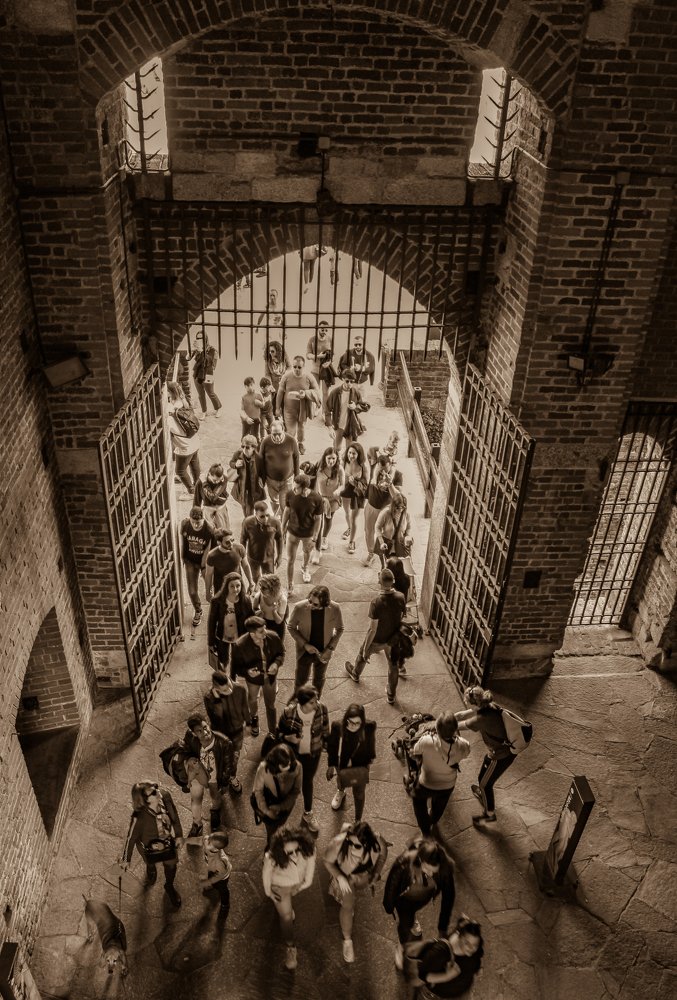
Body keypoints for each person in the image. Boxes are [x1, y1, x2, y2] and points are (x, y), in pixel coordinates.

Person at [383, 837, 456, 971]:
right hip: (404, 898)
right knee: (406, 922)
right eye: (426, 869)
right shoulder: (405, 862)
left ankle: (412, 919)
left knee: (412, 914)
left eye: (433, 871)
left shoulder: (445, 869)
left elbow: (448, 897)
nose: (429, 873)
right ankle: (402, 946)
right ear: (421, 859)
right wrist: (388, 905)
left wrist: (442, 927)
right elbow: (392, 883)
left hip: (423, 897)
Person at [323, 820, 388, 964]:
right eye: (350, 843)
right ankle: (347, 940)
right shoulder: (338, 843)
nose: (352, 849)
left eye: (357, 846)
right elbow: (327, 861)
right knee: (347, 906)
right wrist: (340, 877)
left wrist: (375, 873)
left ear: (367, 844)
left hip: (363, 877)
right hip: (346, 878)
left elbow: (383, 852)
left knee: (351, 900)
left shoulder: (377, 842)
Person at [455, 685, 517, 827]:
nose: (465, 703)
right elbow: (463, 715)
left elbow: (459, 725)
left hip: (501, 755)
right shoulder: (489, 706)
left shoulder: (481, 719)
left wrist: (439, 723)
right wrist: (453, 716)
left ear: (475, 704)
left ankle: (489, 814)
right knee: (485, 773)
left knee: (485, 783)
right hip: (500, 750)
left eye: (467, 701)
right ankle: (483, 793)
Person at [345, 567, 407, 704]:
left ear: (379, 582)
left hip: (377, 639)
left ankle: (355, 673)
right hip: (393, 639)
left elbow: (373, 629)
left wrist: (366, 649)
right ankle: (391, 694)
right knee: (393, 666)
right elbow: (403, 615)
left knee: (362, 654)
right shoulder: (401, 597)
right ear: (393, 581)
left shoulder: (376, 602)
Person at [262, 825, 316, 970]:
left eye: (297, 850)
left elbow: (310, 870)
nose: (294, 855)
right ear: (281, 850)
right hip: (280, 886)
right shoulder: (272, 856)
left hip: (297, 883)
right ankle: (291, 947)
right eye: (289, 852)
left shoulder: (308, 848)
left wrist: (304, 885)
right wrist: (269, 893)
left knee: (287, 911)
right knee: (286, 918)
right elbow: (266, 875)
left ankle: (287, 907)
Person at [121, 782, 183, 908]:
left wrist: (179, 835)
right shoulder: (139, 817)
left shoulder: (165, 796)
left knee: (171, 866)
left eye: (156, 788)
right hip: (148, 848)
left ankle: (169, 886)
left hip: (166, 842)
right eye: (153, 792)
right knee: (150, 862)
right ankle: (151, 868)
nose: (157, 791)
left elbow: (174, 816)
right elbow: (131, 838)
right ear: (145, 801)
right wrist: (127, 859)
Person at [277, 684, 329, 834]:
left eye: (317, 700)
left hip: (313, 754)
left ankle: (308, 813)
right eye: (312, 702)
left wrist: (326, 745)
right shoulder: (289, 712)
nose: (316, 704)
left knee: (307, 782)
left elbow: (326, 729)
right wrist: (287, 737)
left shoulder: (322, 709)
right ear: (302, 703)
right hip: (293, 755)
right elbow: (278, 733)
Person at [411, 713, 470, 838]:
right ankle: (433, 819)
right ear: (455, 730)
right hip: (448, 785)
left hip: (426, 782)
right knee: (440, 806)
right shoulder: (463, 744)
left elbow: (415, 752)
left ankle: (425, 829)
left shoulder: (426, 741)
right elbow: (466, 753)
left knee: (417, 800)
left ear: (436, 729)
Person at [230, 615, 285, 738]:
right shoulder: (240, 645)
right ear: (252, 634)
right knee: (252, 699)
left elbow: (281, 653)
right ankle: (254, 720)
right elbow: (236, 667)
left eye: (265, 628)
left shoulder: (273, 637)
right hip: (253, 680)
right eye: (261, 631)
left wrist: (276, 664)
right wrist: (247, 672)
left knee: (270, 704)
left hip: (270, 677)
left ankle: (272, 730)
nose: (265, 632)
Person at [405, 915, 484, 998]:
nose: (472, 948)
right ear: (459, 936)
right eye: (467, 943)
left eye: (475, 945)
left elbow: (479, 954)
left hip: (461, 993)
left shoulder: (475, 943)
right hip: (436, 996)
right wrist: (447, 976)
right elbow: (423, 975)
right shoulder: (440, 952)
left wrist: (478, 967)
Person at [287, 585, 344, 696]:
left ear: (325, 603)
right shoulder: (299, 607)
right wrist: (305, 645)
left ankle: (315, 701)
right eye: (310, 601)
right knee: (300, 680)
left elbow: (340, 629)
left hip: (324, 651)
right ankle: (298, 701)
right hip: (304, 652)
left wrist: (330, 649)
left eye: (315, 604)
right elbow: (291, 627)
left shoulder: (335, 608)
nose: (310, 605)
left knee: (319, 679)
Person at [183, 715, 235, 835]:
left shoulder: (224, 742)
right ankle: (197, 823)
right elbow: (185, 750)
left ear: (208, 723)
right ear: (194, 733)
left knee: (215, 796)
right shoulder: (190, 738)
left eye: (205, 727)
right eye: (199, 731)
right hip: (199, 772)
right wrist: (189, 760)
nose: (205, 732)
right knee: (195, 798)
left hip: (214, 777)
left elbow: (228, 765)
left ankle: (215, 810)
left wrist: (224, 782)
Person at [326, 704, 376, 821]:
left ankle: (357, 820)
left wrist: (367, 766)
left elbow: (371, 746)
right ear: (346, 719)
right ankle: (341, 792)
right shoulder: (337, 726)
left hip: (360, 764)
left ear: (362, 722)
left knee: (359, 794)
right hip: (342, 762)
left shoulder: (369, 727)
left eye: (357, 723)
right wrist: (331, 766)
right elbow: (332, 746)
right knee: (341, 779)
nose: (353, 726)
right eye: (350, 722)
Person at [203, 671, 249, 794]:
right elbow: (215, 721)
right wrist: (217, 701)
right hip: (221, 734)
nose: (230, 689)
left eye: (229, 684)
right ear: (216, 688)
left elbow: (245, 707)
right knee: (222, 758)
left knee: (235, 757)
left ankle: (232, 777)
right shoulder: (209, 698)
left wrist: (248, 722)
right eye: (225, 689)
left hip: (237, 731)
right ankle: (221, 778)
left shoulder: (239, 689)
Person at [252, 744, 303, 847]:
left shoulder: (297, 767)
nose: (288, 767)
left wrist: (281, 807)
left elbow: (296, 790)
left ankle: (275, 841)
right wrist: (267, 810)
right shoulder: (264, 768)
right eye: (284, 765)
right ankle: (271, 846)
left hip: (286, 806)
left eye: (289, 763)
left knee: (281, 824)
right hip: (269, 805)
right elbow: (258, 791)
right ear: (275, 762)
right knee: (271, 830)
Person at [281, 472, 323, 594]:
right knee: (290, 560)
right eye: (293, 486)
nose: (293, 489)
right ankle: (290, 584)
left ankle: (305, 568)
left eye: (296, 487)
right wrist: (283, 527)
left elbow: (318, 519)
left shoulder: (316, 498)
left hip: (307, 534)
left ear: (305, 488)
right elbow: (287, 511)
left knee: (306, 553)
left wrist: (314, 539)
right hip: (292, 533)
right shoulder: (290, 494)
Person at [363, 453, 403, 567]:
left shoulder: (398, 475)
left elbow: (398, 496)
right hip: (371, 506)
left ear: (390, 464)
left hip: (386, 510)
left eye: (385, 469)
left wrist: (390, 484)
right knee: (368, 531)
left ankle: (385, 558)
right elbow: (370, 451)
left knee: (386, 535)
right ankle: (370, 553)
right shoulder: (374, 469)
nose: (382, 472)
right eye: (380, 469)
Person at [207, 571, 254, 670]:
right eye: (232, 586)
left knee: (237, 660)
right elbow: (211, 622)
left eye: (238, 586)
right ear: (226, 587)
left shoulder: (246, 600)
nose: (235, 589)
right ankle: (223, 679)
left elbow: (250, 619)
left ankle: (233, 678)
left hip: (239, 636)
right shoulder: (217, 601)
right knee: (223, 660)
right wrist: (211, 642)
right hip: (222, 636)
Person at [275, 355, 321, 454]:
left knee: (301, 429)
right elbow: (280, 392)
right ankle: (290, 447)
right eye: (294, 366)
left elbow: (317, 392)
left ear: (304, 367)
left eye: (299, 367)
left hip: (303, 410)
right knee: (290, 431)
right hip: (289, 409)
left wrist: (306, 393)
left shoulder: (309, 377)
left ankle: (301, 443)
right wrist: (277, 408)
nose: (296, 369)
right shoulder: (286, 376)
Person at [179, 506, 214, 632]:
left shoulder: (209, 530)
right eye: (193, 522)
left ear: (203, 519)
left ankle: (217, 610)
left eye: (198, 522)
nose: (195, 525)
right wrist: (182, 558)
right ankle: (198, 610)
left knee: (210, 589)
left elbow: (211, 550)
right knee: (192, 591)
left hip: (205, 563)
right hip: (190, 561)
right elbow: (182, 542)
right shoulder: (185, 524)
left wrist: (206, 567)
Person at [167, 380, 201, 499]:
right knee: (194, 463)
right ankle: (197, 485)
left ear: (169, 392)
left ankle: (192, 492)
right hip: (194, 441)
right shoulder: (184, 402)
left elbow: (171, 428)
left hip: (185, 446)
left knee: (180, 470)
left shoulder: (171, 410)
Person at [259, 419, 299, 518]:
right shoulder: (265, 442)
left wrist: (297, 479)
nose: (277, 437)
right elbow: (261, 461)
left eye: (279, 434)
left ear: (283, 430)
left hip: (287, 481)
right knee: (274, 502)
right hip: (271, 481)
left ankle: (281, 524)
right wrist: (261, 478)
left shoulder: (291, 441)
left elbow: (296, 458)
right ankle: (278, 519)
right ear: (270, 432)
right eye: (274, 434)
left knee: (284, 505)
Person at [312, 447, 344, 562]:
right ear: (325, 457)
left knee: (328, 519)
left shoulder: (339, 469)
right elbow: (313, 481)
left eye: (333, 459)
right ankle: (317, 550)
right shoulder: (319, 467)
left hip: (333, 498)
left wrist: (338, 490)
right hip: (321, 498)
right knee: (319, 524)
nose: (331, 461)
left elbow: (343, 484)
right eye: (329, 458)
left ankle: (324, 538)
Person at [327, 368, 370, 453]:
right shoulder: (334, 393)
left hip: (350, 425)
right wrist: (329, 427)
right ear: (343, 379)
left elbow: (365, 405)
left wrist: (356, 407)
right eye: (347, 381)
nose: (349, 384)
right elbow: (327, 410)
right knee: (336, 448)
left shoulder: (355, 392)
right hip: (338, 425)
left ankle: (346, 464)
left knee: (350, 449)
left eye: (352, 381)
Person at [240, 500, 283, 583]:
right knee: (256, 579)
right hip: (253, 558)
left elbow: (279, 538)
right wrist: (243, 557)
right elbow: (243, 539)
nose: (266, 519)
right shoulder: (247, 522)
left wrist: (280, 556)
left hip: (269, 558)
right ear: (256, 514)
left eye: (267, 515)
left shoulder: (275, 522)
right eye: (262, 516)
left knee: (269, 580)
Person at [205, 528, 254, 599]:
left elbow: (246, 566)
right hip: (221, 589)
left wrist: (251, 582)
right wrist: (207, 592)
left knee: (241, 608)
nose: (231, 544)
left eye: (232, 540)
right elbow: (208, 574)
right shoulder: (212, 555)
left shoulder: (239, 548)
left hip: (238, 587)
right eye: (227, 542)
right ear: (219, 542)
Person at [340, 442, 369, 554]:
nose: (351, 456)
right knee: (346, 512)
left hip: (357, 494)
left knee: (353, 518)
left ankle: (351, 541)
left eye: (354, 454)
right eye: (350, 453)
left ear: (359, 454)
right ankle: (349, 528)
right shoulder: (344, 463)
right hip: (346, 491)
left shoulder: (363, 466)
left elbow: (366, 484)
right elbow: (339, 477)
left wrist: (356, 483)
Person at [229, 435, 266, 518]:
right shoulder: (238, 454)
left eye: (247, 447)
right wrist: (235, 465)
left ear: (253, 448)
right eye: (243, 446)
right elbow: (231, 463)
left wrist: (262, 481)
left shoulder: (258, 458)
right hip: (242, 486)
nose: (244, 449)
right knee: (244, 505)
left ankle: (249, 521)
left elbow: (263, 472)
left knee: (250, 507)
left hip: (253, 488)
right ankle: (247, 519)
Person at [306, 320, 334, 424]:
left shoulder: (330, 339)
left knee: (326, 392)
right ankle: (317, 407)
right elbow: (308, 355)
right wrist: (318, 356)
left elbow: (332, 355)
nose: (324, 331)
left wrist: (329, 362)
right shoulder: (312, 340)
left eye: (326, 330)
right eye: (322, 329)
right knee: (315, 391)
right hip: (315, 370)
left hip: (326, 370)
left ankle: (325, 412)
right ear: (318, 328)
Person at [375, 491, 413, 567]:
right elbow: (377, 527)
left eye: (403, 507)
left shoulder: (406, 514)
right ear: (393, 505)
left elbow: (408, 527)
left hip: (400, 543)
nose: (401, 510)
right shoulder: (385, 513)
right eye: (398, 507)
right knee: (386, 566)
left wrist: (407, 536)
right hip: (386, 543)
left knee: (400, 566)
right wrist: (382, 542)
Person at [191, 331, 222, 419]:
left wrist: (201, 351)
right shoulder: (196, 349)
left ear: (206, 339)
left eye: (201, 338)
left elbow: (210, 361)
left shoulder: (212, 350)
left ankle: (218, 408)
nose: (199, 340)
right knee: (201, 394)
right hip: (197, 373)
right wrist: (191, 350)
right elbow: (188, 358)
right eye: (198, 338)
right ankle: (204, 411)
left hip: (208, 373)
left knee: (210, 393)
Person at [201, 830, 232, 918]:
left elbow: (219, 876)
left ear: (215, 849)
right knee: (211, 877)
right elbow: (202, 839)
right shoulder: (208, 840)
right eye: (209, 837)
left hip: (222, 877)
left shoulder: (220, 862)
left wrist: (208, 882)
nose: (206, 840)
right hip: (211, 868)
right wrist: (185, 840)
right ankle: (213, 886)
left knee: (223, 889)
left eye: (209, 842)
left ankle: (225, 904)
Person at [193, 463, 231, 531]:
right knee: (209, 531)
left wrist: (204, 483)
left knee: (223, 531)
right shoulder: (199, 482)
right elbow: (197, 500)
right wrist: (195, 515)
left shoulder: (224, 479)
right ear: (209, 474)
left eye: (220, 479)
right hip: (208, 508)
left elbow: (213, 497)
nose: (217, 482)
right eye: (215, 480)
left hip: (220, 508)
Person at [253, 572, 288, 639]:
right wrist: (257, 613)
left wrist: (274, 611)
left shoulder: (282, 599)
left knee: (277, 645)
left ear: (272, 589)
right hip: (264, 624)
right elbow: (254, 609)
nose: (260, 589)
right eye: (260, 586)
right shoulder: (259, 596)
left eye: (264, 588)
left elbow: (279, 621)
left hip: (277, 626)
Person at [263, 341, 289, 413]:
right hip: (274, 386)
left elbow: (290, 367)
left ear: (278, 351)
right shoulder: (268, 360)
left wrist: (284, 376)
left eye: (272, 351)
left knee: (285, 405)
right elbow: (267, 374)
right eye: (269, 351)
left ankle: (285, 421)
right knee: (274, 405)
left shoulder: (284, 357)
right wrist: (270, 384)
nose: (270, 353)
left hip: (285, 385)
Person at [240, 376, 265, 441]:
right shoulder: (244, 397)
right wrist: (246, 418)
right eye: (248, 386)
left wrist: (259, 403)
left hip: (256, 419)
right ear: (245, 387)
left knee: (255, 437)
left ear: (254, 384)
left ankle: (256, 450)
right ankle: (244, 449)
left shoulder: (258, 395)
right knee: (244, 436)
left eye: (251, 385)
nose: (250, 387)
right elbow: (241, 410)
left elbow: (263, 405)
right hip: (246, 420)